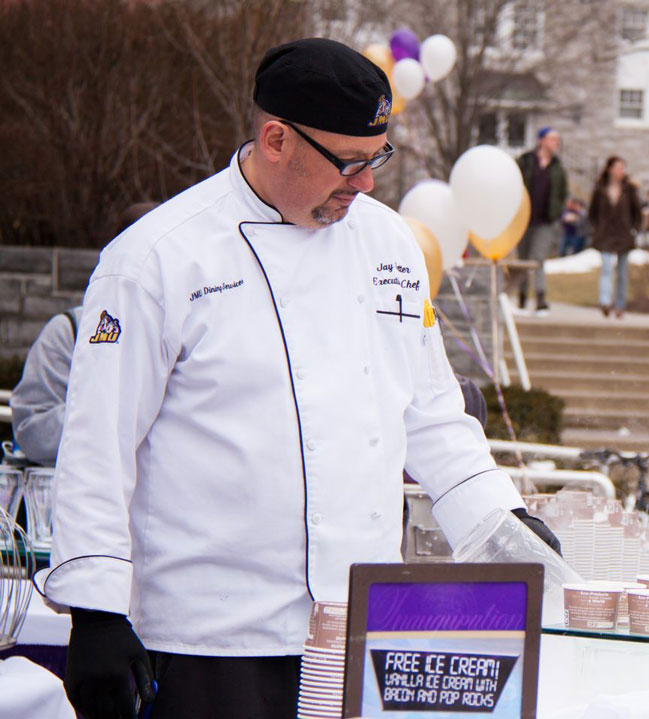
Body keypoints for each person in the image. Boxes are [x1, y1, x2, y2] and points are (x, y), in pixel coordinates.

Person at [40, 38, 558, 719]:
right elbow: (97, 448)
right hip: (209, 638)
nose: (366, 182)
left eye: (377, 159)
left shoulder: (390, 243)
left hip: (362, 624)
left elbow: (429, 412)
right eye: (348, 162)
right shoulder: (158, 258)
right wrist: (96, 608)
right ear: (276, 138)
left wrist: (500, 517)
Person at [11, 203, 160, 466]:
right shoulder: (69, 332)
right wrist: (113, 413)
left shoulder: (191, 334)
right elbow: (30, 428)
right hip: (82, 492)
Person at [515, 127, 568, 316]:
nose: (556, 143)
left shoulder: (557, 167)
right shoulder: (526, 162)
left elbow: (562, 193)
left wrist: (557, 213)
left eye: (558, 140)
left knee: (537, 258)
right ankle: (521, 298)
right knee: (523, 259)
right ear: (542, 140)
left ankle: (540, 299)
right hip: (524, 219)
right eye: (553, 139)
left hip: (545, 221)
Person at [587, 156, 642, 318]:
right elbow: (593, 212)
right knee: (606, 268)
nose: (621, 171)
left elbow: (636, 212)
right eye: (618, 168)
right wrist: (596, 229)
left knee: (622, 271)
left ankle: (620, 304)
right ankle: (604, 301)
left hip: (624, 234)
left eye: (623, 168)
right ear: (610, 169)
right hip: (605, 234)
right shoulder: (600, 188)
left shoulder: (629, 189)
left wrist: (634, 229)